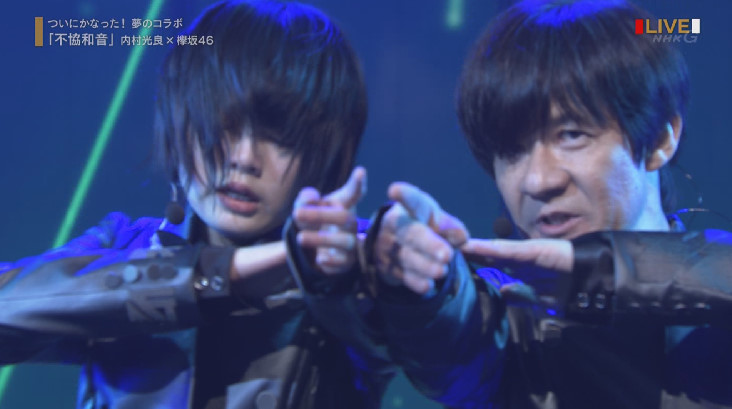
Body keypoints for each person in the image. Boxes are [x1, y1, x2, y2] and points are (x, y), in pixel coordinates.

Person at [333, 0, 732, 408]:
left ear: (662, 139)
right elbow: (453, 343)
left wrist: (602, 272)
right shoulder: (509, 313)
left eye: (572, 135)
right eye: (512, 151)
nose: (538, 181)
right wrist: (428, 284)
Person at [0, 1, 394, 408]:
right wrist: (219, 276)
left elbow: (434, 363)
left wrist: (417, 287)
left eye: (281, 138)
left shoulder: (350, 264)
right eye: (223, 126)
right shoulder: (124, 245)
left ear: (327, 152)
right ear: (180, 121)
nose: (244, 158)